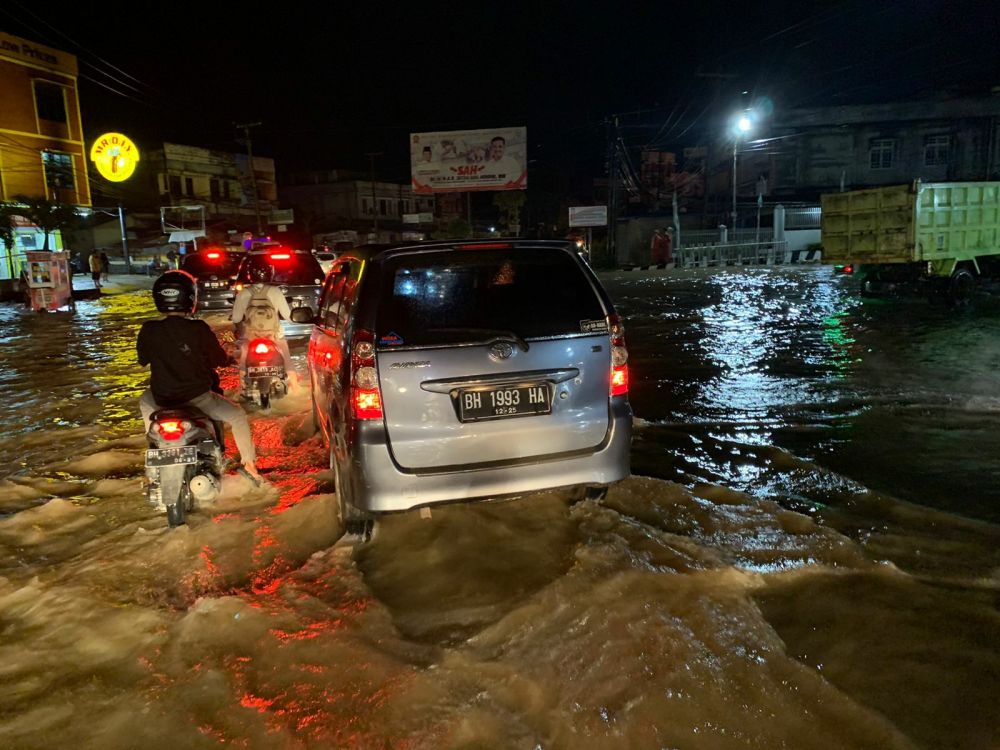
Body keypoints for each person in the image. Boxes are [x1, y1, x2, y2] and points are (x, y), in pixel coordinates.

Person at [137, 270, 262, 481]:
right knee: (238, 416)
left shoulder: (149, 329)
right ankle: (250, 466)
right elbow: (217, 360)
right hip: (198, 398)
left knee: (144, 401)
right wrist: (229, 357)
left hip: (162, 399)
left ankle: (156, 442)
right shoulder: (198, 328)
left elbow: (143, 359)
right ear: (191, 298)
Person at [230, 263, 297, 388]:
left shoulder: (243, 293)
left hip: (251, 336)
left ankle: (242, 389)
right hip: (275, 335)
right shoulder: (275, 292)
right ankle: (296, 389)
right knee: (287, 360)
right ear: (270, 275)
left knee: (244, 361)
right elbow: (288, 316)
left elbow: (236, 318)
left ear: (250, 276)